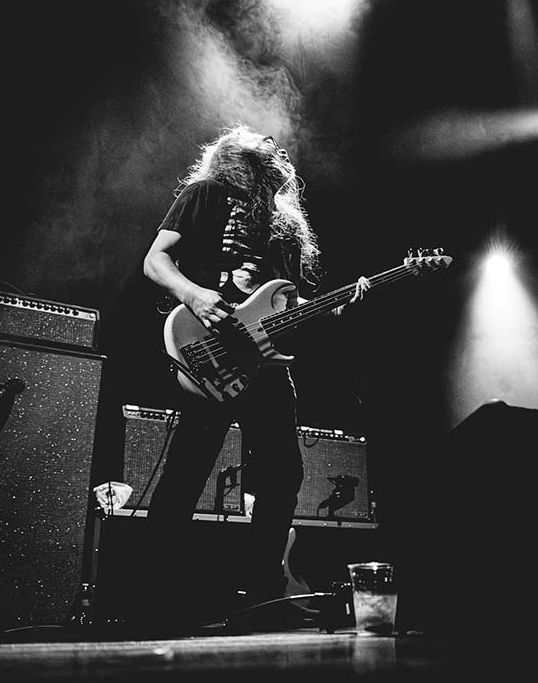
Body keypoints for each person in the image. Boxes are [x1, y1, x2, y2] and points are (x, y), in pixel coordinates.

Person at [140, 123, 369, 628]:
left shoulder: (285, 226)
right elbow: (155, 261)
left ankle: (263, 593)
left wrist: (331, 306)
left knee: (284, 476)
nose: (269, 149)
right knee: (186, 473)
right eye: (257, 148)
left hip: (264, 363)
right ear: (234, 157)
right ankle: (152, 597)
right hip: (211, 347)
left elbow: (285, 305)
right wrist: (195, 294)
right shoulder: (205, 194)